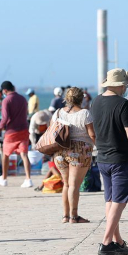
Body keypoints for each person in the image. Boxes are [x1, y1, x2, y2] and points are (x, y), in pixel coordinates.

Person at [92, 68, 128, 255]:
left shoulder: (95, 101)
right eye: (126, 85)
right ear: (120, 85)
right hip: (121, 159)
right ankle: (106, 242)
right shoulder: (123, 104)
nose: (126, 88)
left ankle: (118, 241)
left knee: (110, 200)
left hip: (103, 158)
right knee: (119, 201)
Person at [52, 87, 96, 224]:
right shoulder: (84, 113)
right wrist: (100, 147)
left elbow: (52, 130)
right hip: (80, 151)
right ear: (81, 98)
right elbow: (92, 134)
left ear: (66, 98)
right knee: (74, 186)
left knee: (66, 184)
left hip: (60, 151)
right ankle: (74, 216)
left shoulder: (58, 112)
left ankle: (65, 216)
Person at [0, 81, 33, 188]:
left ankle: (4, 179)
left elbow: (5, 118)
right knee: (24, 154)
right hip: (24, 130)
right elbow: (26, 113)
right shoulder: (23, 99)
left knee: (6, 154)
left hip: (12, 132)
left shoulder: (6, 100)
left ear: (5, 90)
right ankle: (28, 179)